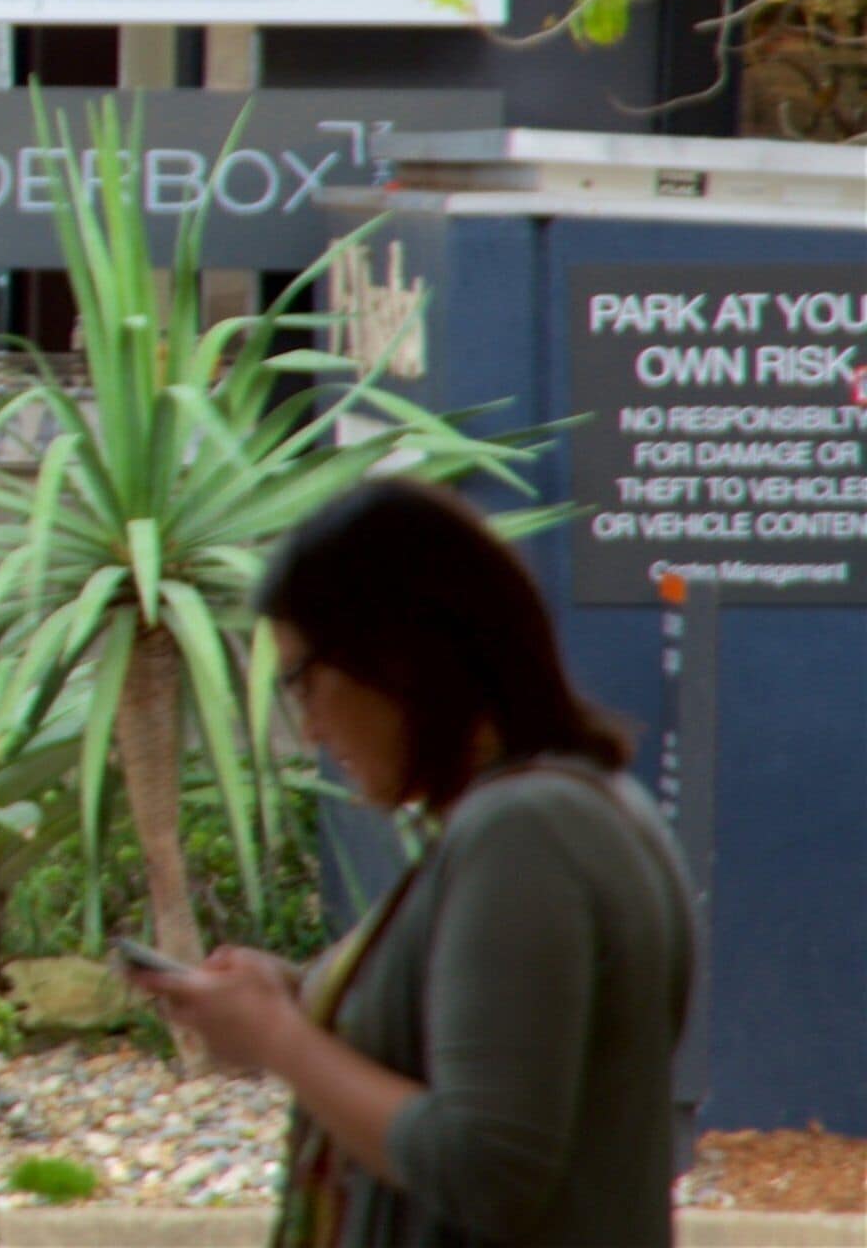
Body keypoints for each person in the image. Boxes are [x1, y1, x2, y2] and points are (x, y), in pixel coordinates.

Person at [131, 481, 694, 1248]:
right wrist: (299, 998)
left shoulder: (525, 832)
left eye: (303, 678)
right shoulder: (578, 806)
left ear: (396, 654)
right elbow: (469, 1036)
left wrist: (278, 1039)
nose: (310, 725)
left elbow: (487, 1164)